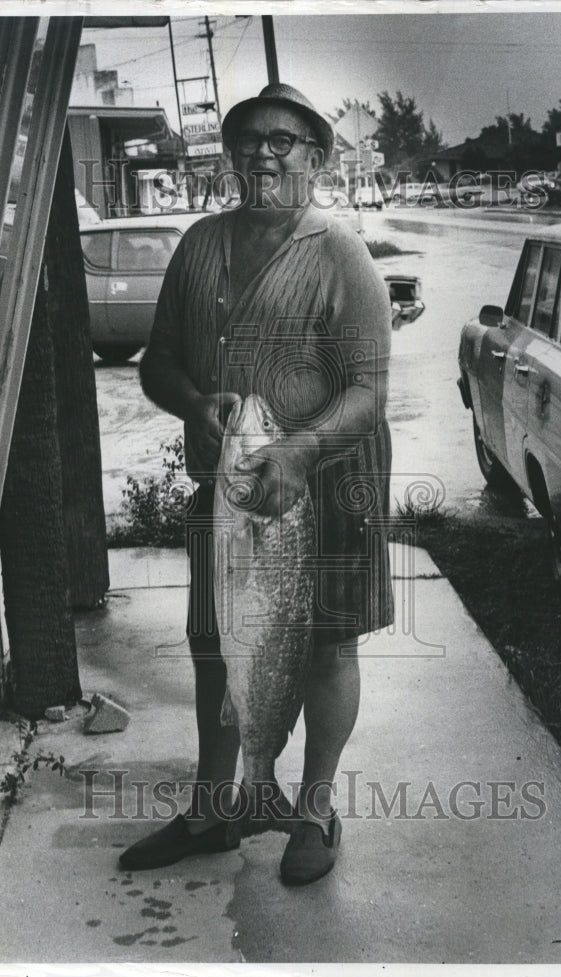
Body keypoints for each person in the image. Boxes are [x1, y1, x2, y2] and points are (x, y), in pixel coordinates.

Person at [119, 83, 394, 885]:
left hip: (329, 482)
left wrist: (302, 452)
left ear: (315, 155)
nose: (263, 153)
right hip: (232, 485)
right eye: (247, 140)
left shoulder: (339, 253)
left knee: (326, 644)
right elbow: (159, 362)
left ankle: (310, 810)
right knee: (217, 645)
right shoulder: (200, 242)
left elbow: (367, 389)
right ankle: (214, 809)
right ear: (229, 156)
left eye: (283, 140)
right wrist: (194, 400)